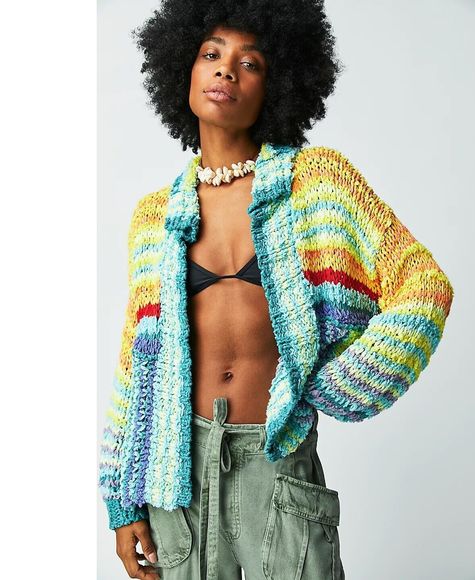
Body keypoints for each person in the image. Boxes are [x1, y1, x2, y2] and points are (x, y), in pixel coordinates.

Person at [98, 0, 455, 579]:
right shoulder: (153, 218)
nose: (226, 69)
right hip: (175, 476)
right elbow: (135, 367)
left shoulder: (318, 185)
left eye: (251, 63)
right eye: (211, 54)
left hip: (278, 465)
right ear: (182, 68)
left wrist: (337, 383)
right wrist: (122, 499)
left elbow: (424, 286)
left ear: (278, 86)